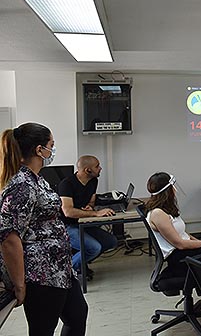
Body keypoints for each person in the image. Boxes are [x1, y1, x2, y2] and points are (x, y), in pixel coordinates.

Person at [0, 123, 87, 335]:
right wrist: (19, 284)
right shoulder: (21, 184)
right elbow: (9, 237)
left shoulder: (35, 178)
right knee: (43, 329)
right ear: (40, 150)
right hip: (40, 273)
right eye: (51, 145)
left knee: (77, 315)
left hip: (59, 267)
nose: (53, 150)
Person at [145, 171, 201, 277]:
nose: (175, 189)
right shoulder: (158, 214)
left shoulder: (165, 209)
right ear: (168, 191)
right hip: (181, 256)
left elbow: (183, 234)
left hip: (188, 249)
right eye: (173, 186)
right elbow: (180, 244)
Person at [58, 155, 118, 278]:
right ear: (87, 170)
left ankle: (80, 265)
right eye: (97, 166)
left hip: (81, 222)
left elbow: (91, 202)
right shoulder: (66, 184)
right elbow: (68, 211)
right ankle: (64, 274)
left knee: (111, 242)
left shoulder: (93, 181)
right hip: (65, 226)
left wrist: (90, 207)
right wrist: (95, 213)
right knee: (94, 248)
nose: (100, 168)